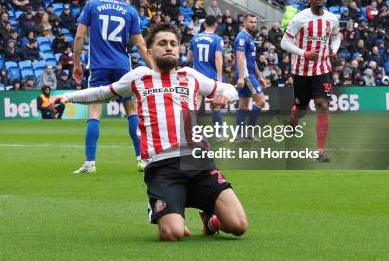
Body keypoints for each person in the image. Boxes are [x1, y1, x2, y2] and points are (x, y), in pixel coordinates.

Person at [50, 23, 246, 241]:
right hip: (162, 167)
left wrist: (227, 96)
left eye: (173, 44)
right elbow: (103, 92)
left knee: (238, 226)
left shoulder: (190, 76)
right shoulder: (138, 77)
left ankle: (209, 220)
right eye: (162, 43)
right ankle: (161, 208)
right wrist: (68, 96)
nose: (169, 47)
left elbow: (228, 88)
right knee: (173, 233)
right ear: (150, 52)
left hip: (198, 161)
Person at [72, 0, 153, 174]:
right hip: (121, 66)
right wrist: (154, 68)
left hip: (99, 66)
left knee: (94, 112)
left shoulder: (92, 5)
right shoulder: (130, 11)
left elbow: (80, 36)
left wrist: (76, 64)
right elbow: (140, 45)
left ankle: (90, 163)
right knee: (131, 110)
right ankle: (141, 159)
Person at [280, 0, 340, 162]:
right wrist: (304, 53)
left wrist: (334, 48)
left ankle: (320, 151)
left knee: (322, 105)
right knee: (301, 110)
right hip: (301, 70)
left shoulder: (332, 18)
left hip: (322, 69)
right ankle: (293, 121)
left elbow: (336, 36)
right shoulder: (300, 18)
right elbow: (284, 43)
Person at [234, 14, 268, 142]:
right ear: (244, 22)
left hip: (249, 74)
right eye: (251, 22)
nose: (253, 24)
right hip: (246, 75)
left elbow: (251, 60)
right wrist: (242, 77)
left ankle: (239, 135)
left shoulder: (249, 37)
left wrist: (260, 76)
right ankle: (249, 132)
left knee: (243, 105)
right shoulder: (242, 37)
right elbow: (239, 58)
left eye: (255, 22)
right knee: (261, 101)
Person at [187, 15, 224, 124]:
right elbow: (218, 58)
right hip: (211, 77)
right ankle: (219, 134)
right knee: (215, 106)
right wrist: (220, 78)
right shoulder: (217, 39)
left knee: (195, 105)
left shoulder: (195, 38)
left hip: (196, 77)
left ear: (204, 24)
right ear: (216, 25)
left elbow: (189, 58)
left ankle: (189, 132)